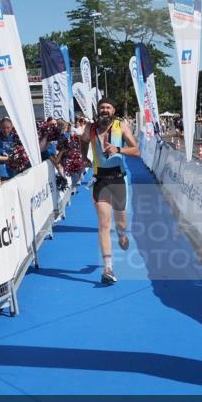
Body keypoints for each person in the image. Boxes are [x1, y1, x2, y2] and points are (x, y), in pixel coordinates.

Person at [82, 98, 140, 285]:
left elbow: (137, 150)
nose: (105, 110)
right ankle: (108, 268)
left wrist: (119, 149)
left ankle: (123, 235)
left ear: (113, 110)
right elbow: (82, 142)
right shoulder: (90, 128)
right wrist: (84, 157)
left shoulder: (120, 125)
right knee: (104, 224)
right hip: (100, 181)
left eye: (108, 107)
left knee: (120, 225)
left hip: (118, 180)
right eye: (102, 108)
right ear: (98, 111)